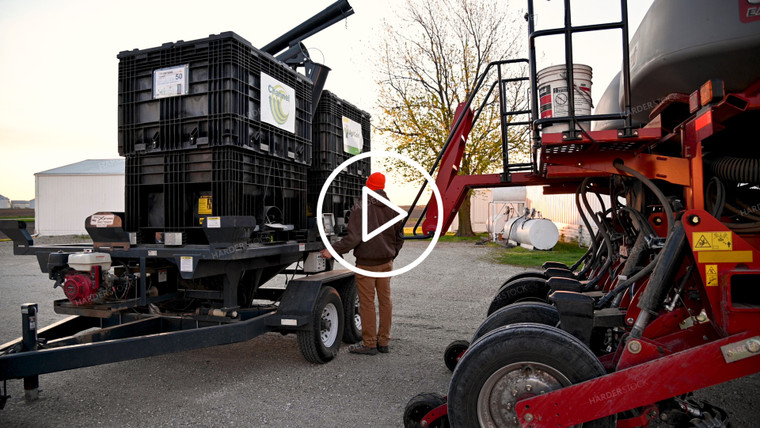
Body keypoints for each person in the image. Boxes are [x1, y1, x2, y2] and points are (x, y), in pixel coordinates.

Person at [320, 172, 404, 355]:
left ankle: (369, 344)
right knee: (385, 302)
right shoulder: (394, 210)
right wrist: (391, 255)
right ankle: (384, 342)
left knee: (367, 304)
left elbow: (353, 239)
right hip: (386, 263)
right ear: (382, 187)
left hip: (367, 264)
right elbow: (400, 238)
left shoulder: (360, 208)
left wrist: (331, 250)